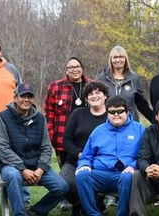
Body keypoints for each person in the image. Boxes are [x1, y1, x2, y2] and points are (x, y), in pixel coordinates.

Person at [0, 83, 69, 216]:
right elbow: (3, 149)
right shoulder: (2, 118)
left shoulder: (40, 118)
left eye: (30, 96)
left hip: (36, 166)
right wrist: (23, 169)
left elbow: (46, 147)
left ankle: (36, 211)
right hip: (10, 166)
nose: (27, 100)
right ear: (15, 97)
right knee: (14, 175)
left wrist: (40, 169)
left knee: (62, 187)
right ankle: (20, 214)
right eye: (23, 96)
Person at [75, 95, 145, 216]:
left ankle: (122, 213)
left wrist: (133, 166)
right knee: (82, 175)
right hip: (100, 173)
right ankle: (93, 214)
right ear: (107, 113)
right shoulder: (98, 131)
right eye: (112, 112)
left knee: (128, 177)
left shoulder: (139, 129)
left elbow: (145, 155)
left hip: (124, 174)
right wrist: (85, 164)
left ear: (127, 111)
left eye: (120, 111)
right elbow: (87, 155)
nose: (116, 115)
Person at [44, 56, 92, 210]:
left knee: (87, 171)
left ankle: (90, 201)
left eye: (77, 66)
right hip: (63, 139)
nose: (74, 69)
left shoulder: (91, 86)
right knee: (66, 173)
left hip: (87, 139)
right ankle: (71, 200)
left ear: (82, 69)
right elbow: (49, 113)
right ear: (66, 70)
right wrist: (52, 135)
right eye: (71, 67)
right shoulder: (55, 87)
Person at [60, 81, 109, 216]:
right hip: (76, 160)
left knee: (95, 183)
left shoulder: (111, 117)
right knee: (63, 183)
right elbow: (67, 140)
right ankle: (80, 204)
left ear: (105, 96)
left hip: (101, 163)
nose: (94, 96)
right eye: (90, 94)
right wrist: (79, 153)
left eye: (98, 92)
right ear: (86, 99)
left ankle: (90, 207)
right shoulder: (78, 114)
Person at [0, 39, 24, 208]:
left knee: (16, 156)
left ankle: (22, 199)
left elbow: (21, 92)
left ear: (0, 52)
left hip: (8, 118)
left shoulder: (11, 69)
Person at [97, 45, 152, 122]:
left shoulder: (134, 79)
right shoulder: (102, 78)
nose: (118, 60)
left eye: (121, 57)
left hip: (130, 122)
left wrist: (155, 120)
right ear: (110, 59)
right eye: (115, 57)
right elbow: (98, 102)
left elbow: (141, 104)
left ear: (125, 59)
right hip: (108, 123)